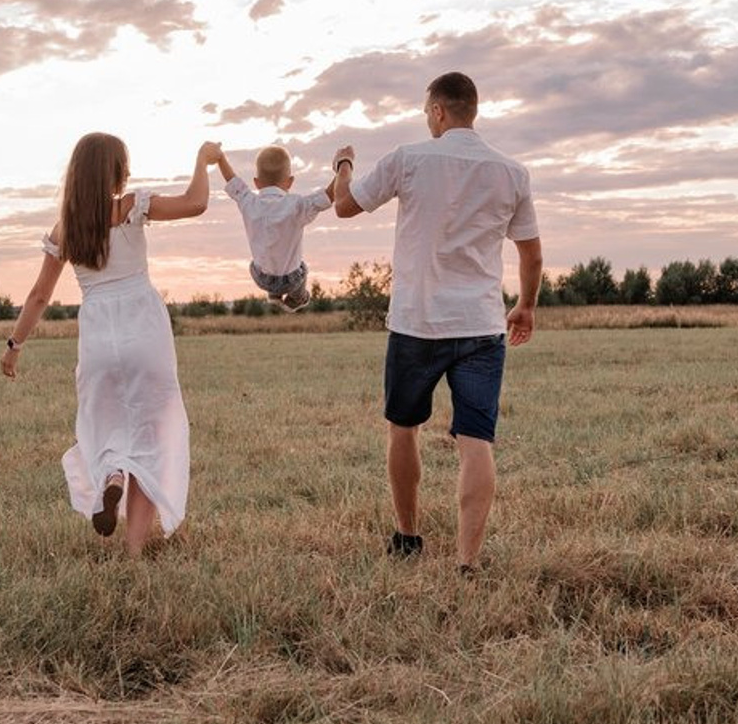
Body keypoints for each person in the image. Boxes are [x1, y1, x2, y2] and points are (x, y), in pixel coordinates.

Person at [333, 72, 542, 573]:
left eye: (428, 111)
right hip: (480, 325)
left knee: (402, 429)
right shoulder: (512, 172)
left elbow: (343, 206)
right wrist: (526, 306)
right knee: (476, 441)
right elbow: (531, 254)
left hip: (417, 324)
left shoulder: (408, 159)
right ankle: (467, 562)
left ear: (439, 112)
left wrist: (343, 164)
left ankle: (408, 537)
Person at [1, 133, 224, 557]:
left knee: (107, 429)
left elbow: (39, 296)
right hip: (145, 329)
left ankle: (113, 476)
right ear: (116, 171)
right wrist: (202, 159)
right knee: (153, 435)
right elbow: (196, 202)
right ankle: (135, 551)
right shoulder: (132, 207)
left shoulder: (65, 229)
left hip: (100, 335)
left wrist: (15, 344)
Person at [216, 145, 335, 311]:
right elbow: (328, 195)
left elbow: (231, 180)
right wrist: (343, 167)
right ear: (290, 182)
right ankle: (297, 298)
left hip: (262, 278)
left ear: (256, 183)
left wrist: (220, 158)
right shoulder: (296, 205)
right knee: (303, 268)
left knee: (260, 261)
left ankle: (274, 295)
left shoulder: (248, 202)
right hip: (290, 280)